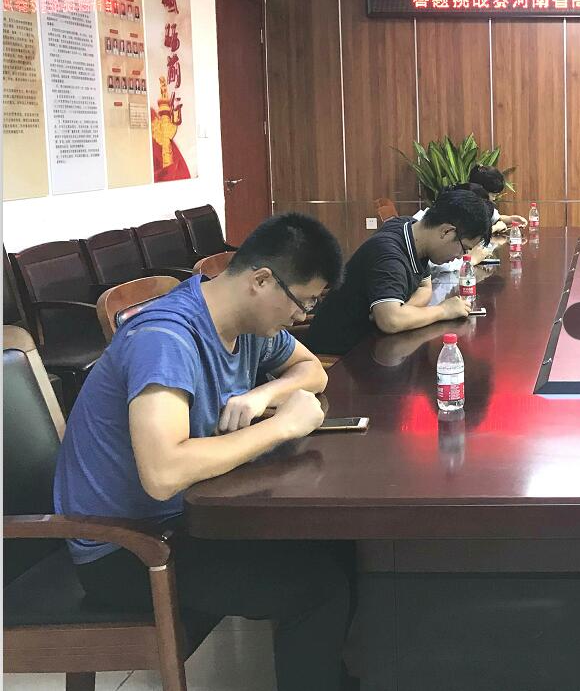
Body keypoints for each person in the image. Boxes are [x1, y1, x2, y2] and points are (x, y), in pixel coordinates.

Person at [53, 213, 356, 690]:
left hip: (188, 518)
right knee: (318, 590)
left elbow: (311, 370)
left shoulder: (245, 324)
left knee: (339, 543)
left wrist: (261, 396)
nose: (302, 317)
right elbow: (163, 472)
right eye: (304, 302)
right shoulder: (166, 337)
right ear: (261, 281)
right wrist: (280, 426)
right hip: (129, 548)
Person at [305, 187, 494, 356]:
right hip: (339, 358)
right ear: (446, 231)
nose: (461, 256)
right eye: (464, 248)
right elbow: (391, 321)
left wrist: (403, 310)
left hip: (375, 348)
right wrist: (443, 310)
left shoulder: (411, 229)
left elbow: (425, 287)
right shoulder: (388, 254)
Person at [469, 164, 526, 229]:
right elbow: (475, 233)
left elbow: (495, 218)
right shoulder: (465, 205)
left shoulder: (485, 206)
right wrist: (496, 228)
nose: (494, 199)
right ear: (481, 190)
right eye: (493, 195)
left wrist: (511, 219)